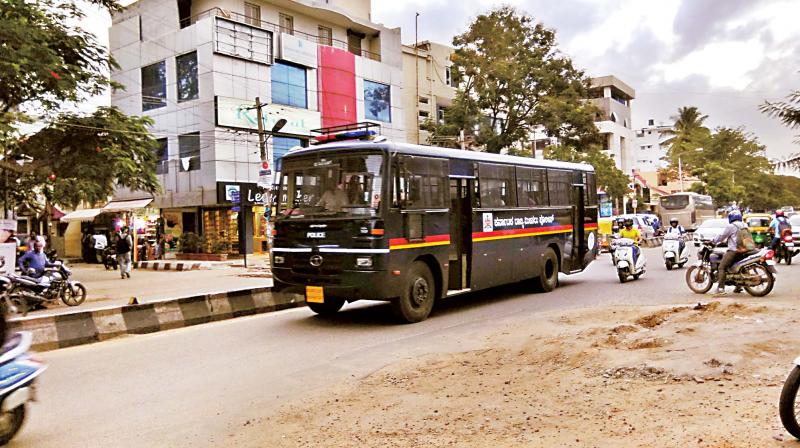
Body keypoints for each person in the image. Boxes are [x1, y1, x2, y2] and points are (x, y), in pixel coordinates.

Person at [712, 210, 748, 295]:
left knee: (721, 267)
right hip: (745, 249)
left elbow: (721, 236)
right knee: (738, 266)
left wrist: (713, 241)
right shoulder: (744, 225)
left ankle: (720, 289)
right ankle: (738, 286)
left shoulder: (731, 226)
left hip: (735, 251)